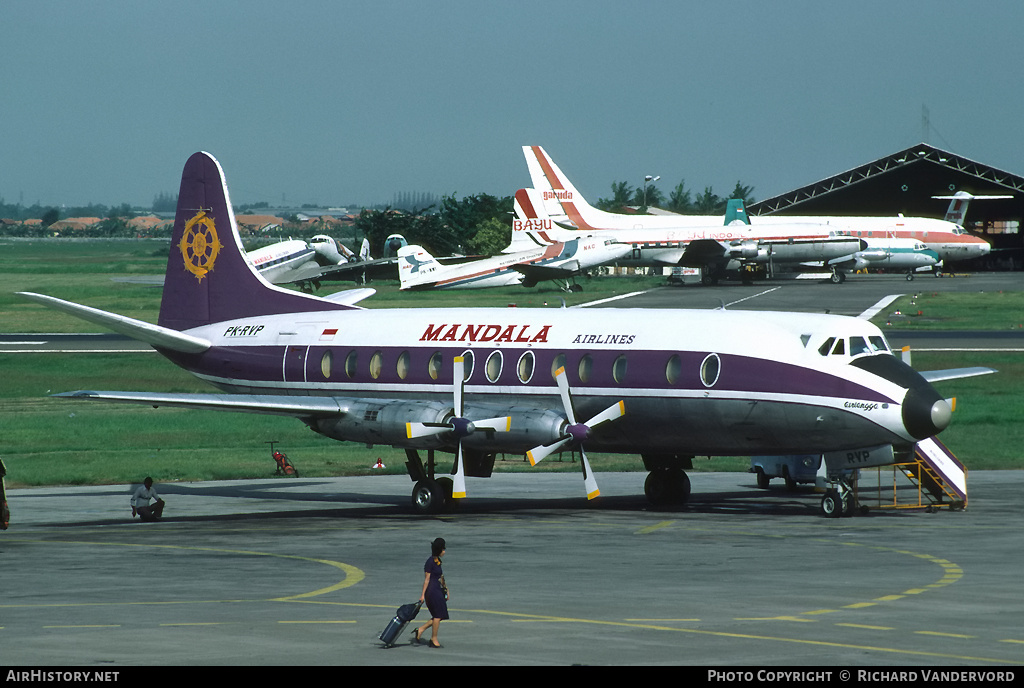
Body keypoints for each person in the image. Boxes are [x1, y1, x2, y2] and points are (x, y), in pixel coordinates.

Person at [413, 537, 448, 648]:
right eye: (443, 549)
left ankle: (421, 629)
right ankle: (434, 639)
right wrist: (422, 595)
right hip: (432, 591)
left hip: (437, 589)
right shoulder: (430, 562)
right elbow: (427, 579)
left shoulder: (437, 561)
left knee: (441, 615)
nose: (444, 551)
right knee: (438, 615)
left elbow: (441, 577)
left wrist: (446, 589)